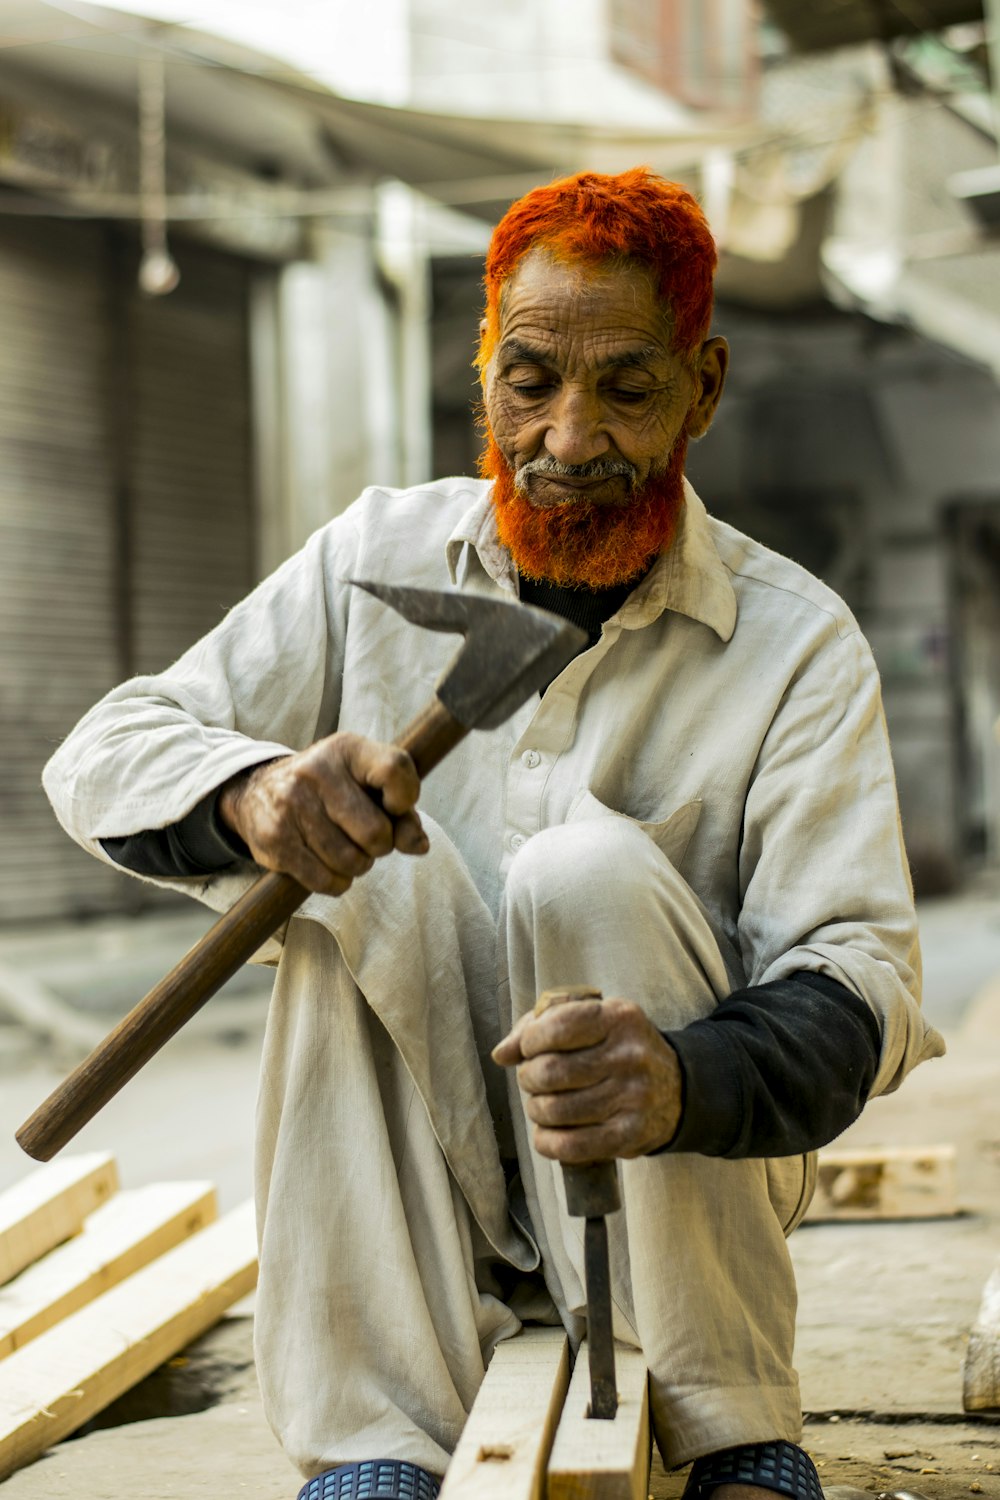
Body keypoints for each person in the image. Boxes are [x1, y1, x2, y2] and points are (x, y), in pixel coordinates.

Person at [44, 169, 943, 1500]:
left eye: (627, 390)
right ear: (484, 371)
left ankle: (724, 1429)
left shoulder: (795, 640)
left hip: (664, 1223)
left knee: (587, 867)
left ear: (703, 386)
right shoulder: (372, 558)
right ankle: (373, 1445)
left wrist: (684, 1075)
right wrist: (257, 796)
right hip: (408, 1202)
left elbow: (863, 985)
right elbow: (104, 752)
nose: (569, 439)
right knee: (356, 889)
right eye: (530, 381)